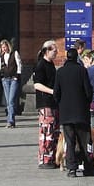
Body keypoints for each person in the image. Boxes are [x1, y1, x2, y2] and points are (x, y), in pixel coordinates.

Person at [55, 48, 94, 175]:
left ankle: (71, 168)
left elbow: (56, 93)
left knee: (69, 141)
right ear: (77, 57)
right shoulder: (82, 70)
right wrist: (86, 103)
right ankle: (88, 167)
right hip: (81, 112)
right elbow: (88, 91)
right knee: (85, 141)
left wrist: (61, 104)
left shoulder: (60, 72)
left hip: (66, 113)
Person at [32, 40, 61, 169]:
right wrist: (52, 91)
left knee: (54, 131)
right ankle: (44, 159)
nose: (56, 52)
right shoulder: (41, 65)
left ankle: (52, 157)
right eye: (54, 50)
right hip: (45, 103)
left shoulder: (51, 64)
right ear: (46, 51)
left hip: (54, 103)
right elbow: (36, 84)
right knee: (46, 131)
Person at [0, 38, 22, 127]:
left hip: (13, 79)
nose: (4, 49)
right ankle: (11, 120)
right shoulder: (1, 56)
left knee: (11, 100)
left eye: (5, 47)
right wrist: (1, 76)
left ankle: (10, 121)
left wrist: (17, 76)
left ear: (8, 46)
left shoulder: (14, 53)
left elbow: (19, 65)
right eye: (2, 47)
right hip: (5, 79)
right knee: (8, 101)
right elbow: (1, 68)